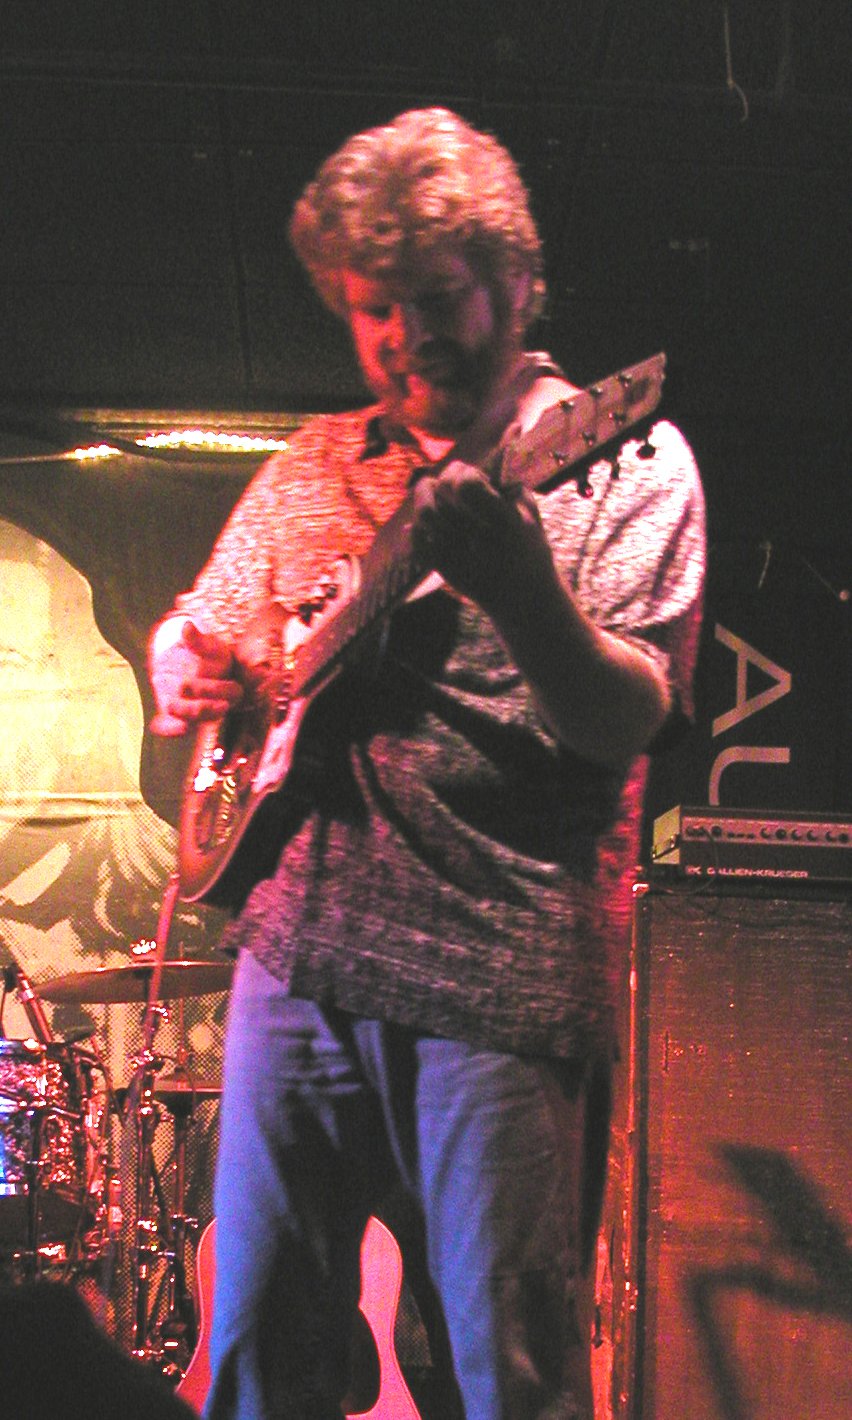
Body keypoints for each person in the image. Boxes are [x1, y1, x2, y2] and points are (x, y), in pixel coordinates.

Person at [147, 107, 705, 1420]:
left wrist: (525, 594)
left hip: (498, 986)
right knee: (256, 1357)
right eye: (372, 310)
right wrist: (183, 662)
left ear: (518, 283)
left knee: (503, 1379)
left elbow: (628, 718)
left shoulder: (617, 457)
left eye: (437, 299)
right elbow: (202, 625)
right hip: (292, 971)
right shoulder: (315, 462)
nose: (404, 336)